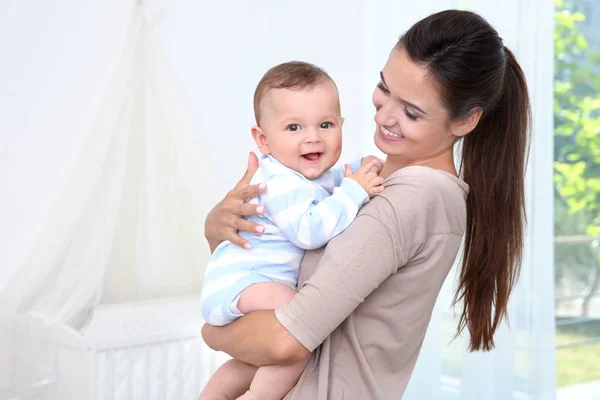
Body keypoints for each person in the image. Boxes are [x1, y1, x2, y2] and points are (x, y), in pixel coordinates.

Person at [202, 9, 530, 399]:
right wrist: (217, 227)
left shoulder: (412, 199)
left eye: (411, 111)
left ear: (464, 121)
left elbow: (284, 341)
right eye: (384, 87)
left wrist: (213, 330)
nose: (385, 115)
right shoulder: (366, 183)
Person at [199, 61, 385, 400]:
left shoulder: (305, 177)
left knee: (255, 361)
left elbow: (335, 181)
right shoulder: (280, 182)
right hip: (247, 281)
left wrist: (363, 168)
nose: (313, 136)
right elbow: (310, 230)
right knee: (301, 325)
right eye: (294, 127)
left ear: (341, 125)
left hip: (241, 282)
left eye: (326, 124)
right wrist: (356, 191)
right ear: (263, 139)